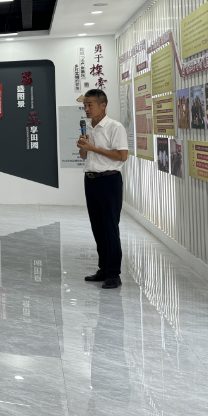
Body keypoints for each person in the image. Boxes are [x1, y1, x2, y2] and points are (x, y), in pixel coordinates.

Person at [77, 89, 129, 290]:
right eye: (85, 105)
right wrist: (83, 147)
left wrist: (92, 148)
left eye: (90, 105)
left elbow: (122, 156)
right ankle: (103, 269)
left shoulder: (115, 127)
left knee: (110, 227)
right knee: (97, 227)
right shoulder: (89, 127)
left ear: (103, 105)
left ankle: (114, 274)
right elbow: (85, 156)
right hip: (91, 180)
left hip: (109, 180)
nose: (86, 109)